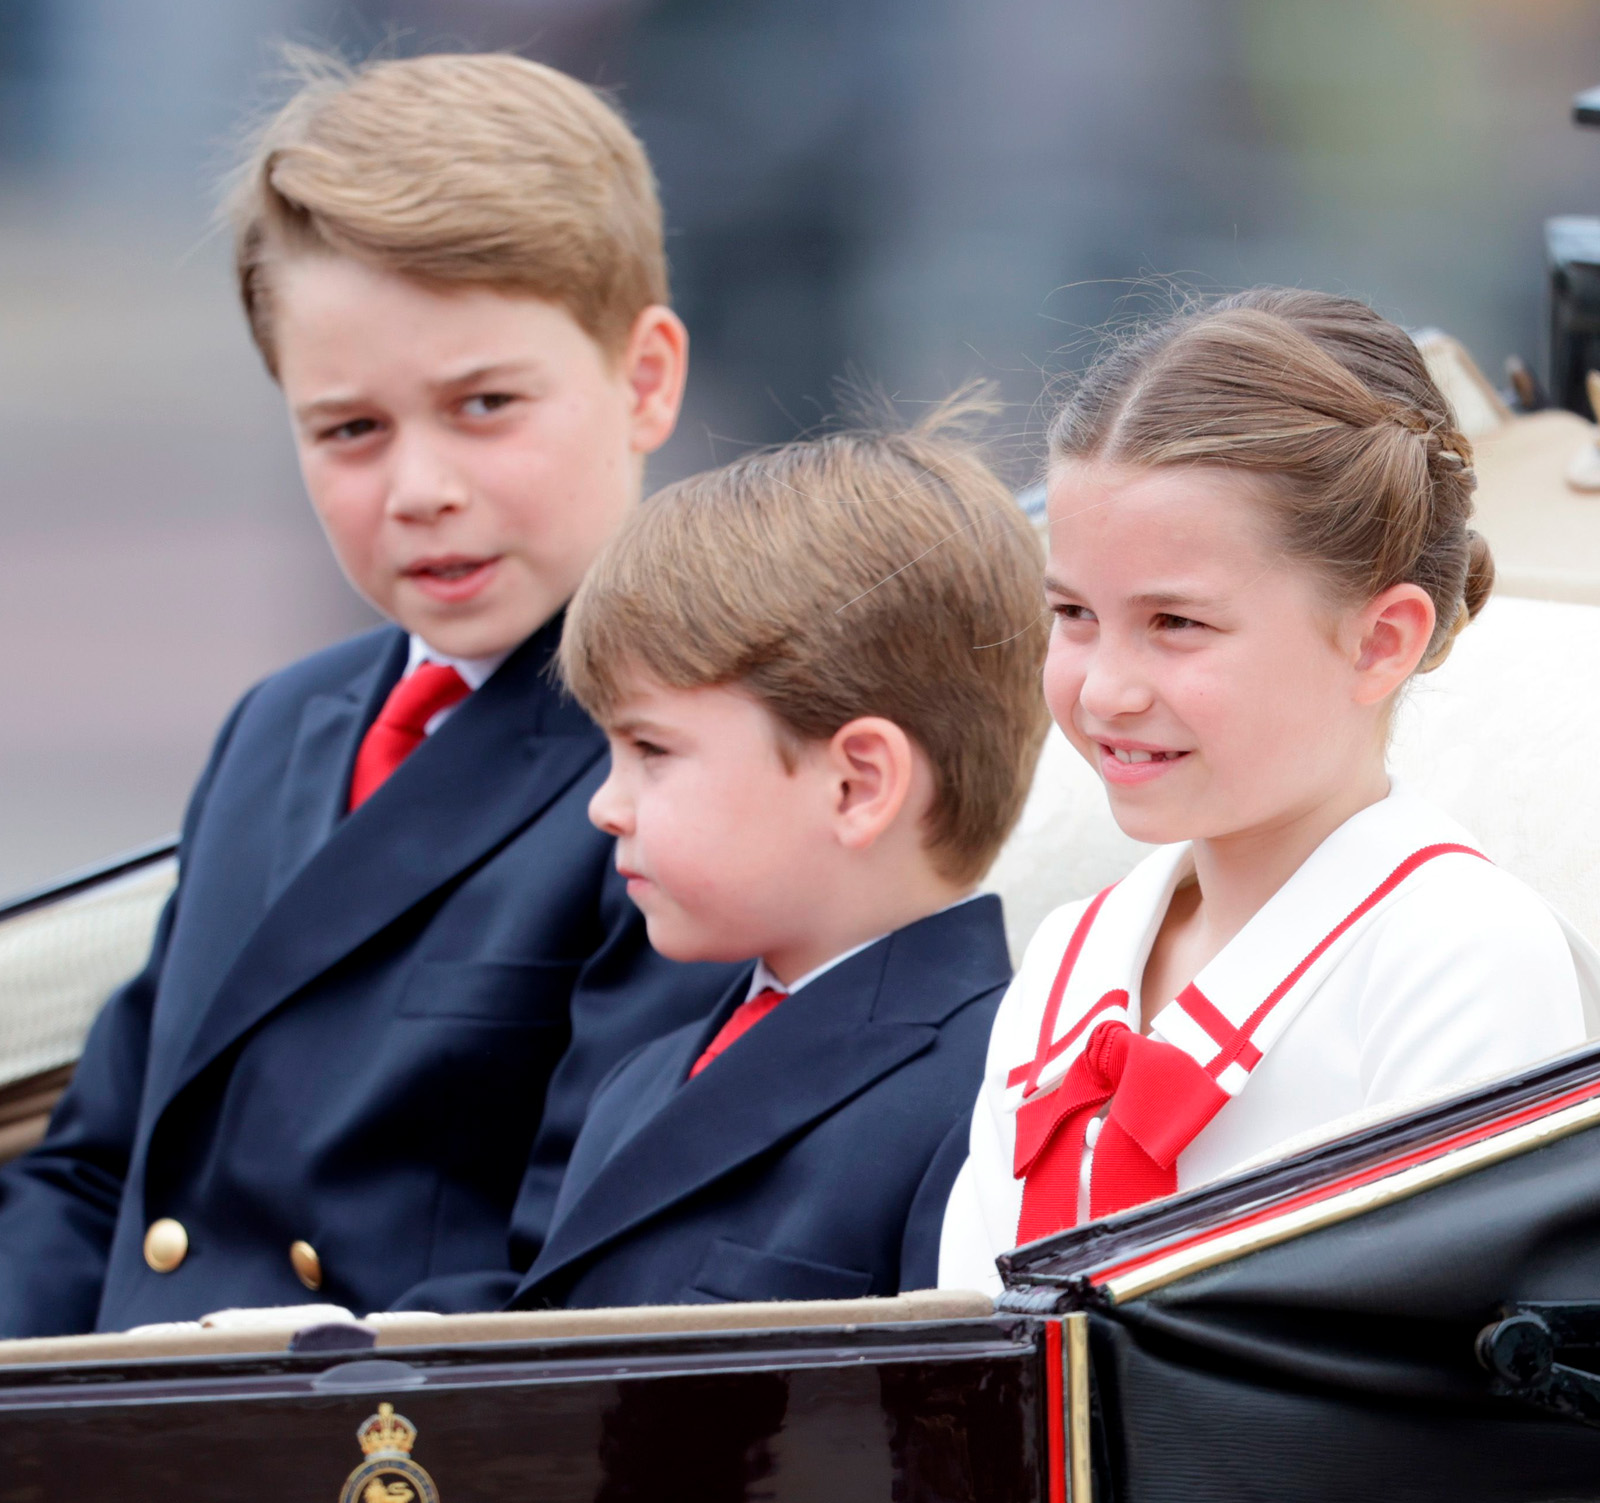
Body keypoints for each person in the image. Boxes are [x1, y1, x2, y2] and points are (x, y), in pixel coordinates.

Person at [0, 53, 734, 1337]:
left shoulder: (691, 756)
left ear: (645, 380)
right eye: (350, 430)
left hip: (372, 1465)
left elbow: (582, 1271)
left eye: (484, 405)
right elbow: (97, 1164)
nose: (418, 487)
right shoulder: (285, 725)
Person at [939, 288, 1600, 1295]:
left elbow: (1442, 1413)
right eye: (1072, 612)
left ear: (1381, 640)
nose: (1106, 688)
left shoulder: (1460, 955)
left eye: (1176, 623)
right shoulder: (1066, 959)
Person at [399, 406, 1049, 1312]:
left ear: (858, 784)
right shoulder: (643, 1078)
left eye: (652, 752)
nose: (603, 803)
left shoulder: (995, 1102)